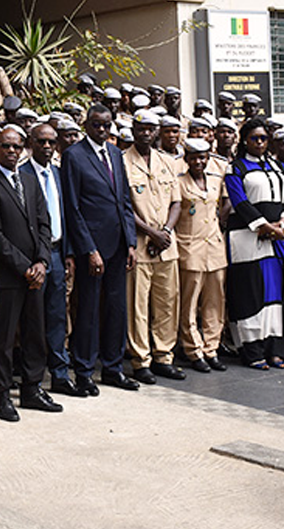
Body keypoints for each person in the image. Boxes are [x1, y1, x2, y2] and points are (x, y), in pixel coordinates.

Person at [0, 127, 60, 422]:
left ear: (24, 148)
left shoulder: (30, 180)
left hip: (36, 273)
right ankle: (1, 395)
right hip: (12, 275)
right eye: (6, 147)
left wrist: (41, 261)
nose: (12, 151)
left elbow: (43, 223)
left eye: (16, 146)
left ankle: (32, 389)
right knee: (4, 336)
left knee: (35, 332)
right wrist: (24, 266)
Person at [61, 103, 139, 395]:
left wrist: (131, 241)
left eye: (107, 125)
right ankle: (83, 371)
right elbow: (73, 207)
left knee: (116, 308)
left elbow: (125, 201)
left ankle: (113, 368)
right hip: (91, 247)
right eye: (96, 125)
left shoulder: (116, 154)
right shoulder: (74, 156)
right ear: (86, 125)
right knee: (90, 310)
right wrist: (89, 249)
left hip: (119, 245)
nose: (102, 130)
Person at [224, 118, 284, 370]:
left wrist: (282, 224)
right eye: (254, 138)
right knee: (252, 292)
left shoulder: (279, 167)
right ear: (244, 140)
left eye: (264, 138)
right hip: (248, 239)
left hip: (280, 239)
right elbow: (239, 201)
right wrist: (264, 227)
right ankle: (253, 350)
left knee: (277, 292)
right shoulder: (236, 167)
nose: (260, 143)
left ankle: (276, 349)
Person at [20, 123, 84, 397]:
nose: (47, 147)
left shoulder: (57, 174)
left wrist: (68, 252)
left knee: (58, 316)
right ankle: (32, 380)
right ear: (30, 143)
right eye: (41, 142)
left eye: (51, 142)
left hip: (58, 253)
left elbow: (66, 214)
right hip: (34, 260)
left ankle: (60, 375)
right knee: (33, 320)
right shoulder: (20, 174)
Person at [125, 110, 183, 384]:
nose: (146, 133)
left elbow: (177, 202)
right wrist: (151, 233)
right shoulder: (123, 161)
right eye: (141, 128)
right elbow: (124, 207)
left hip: (166, 246)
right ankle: (141, 360)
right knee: (138, 306)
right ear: (134, 129)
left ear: (156, 131)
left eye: (151, 128)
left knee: (167, 303)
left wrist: (166, 232)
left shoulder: (168, 162)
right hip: (139, 246)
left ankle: (164, 356)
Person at [175, 138, 229, 373]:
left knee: (215, 302)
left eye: (203, 157)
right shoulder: (179, 182)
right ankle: (193, 349)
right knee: (189, 303)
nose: (198, 161)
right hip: (190, 248)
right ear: (186, 159)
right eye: (194, 157)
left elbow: (225, 204)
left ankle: (211, 347)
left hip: (215, 247)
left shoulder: (216, 179)